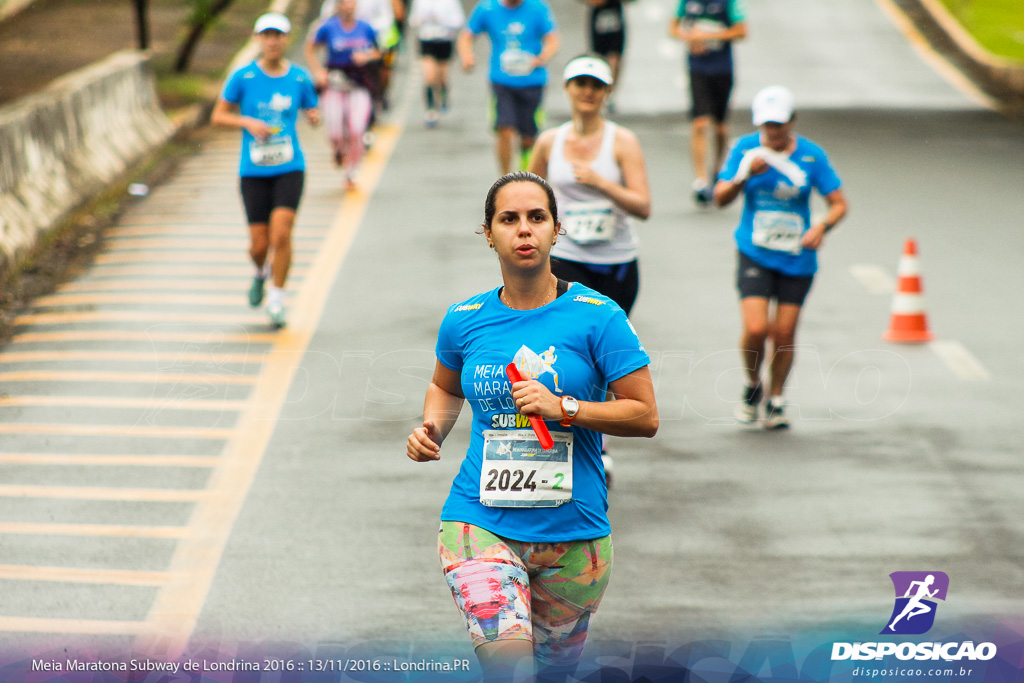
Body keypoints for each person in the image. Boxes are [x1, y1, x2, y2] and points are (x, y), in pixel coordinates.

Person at [406, 172, 658, 681]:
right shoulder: (465, 318)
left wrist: (565, 406)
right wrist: (431, 429)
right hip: (479, 523)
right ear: (489, 233)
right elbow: (446, 386)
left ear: (556, 230)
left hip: (575, 536)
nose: (524, 230)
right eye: (510, 219)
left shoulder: (598, 316)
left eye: (536, 218)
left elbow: (644, 414)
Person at [527, 55, 650, 484]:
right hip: (566, 259)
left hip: (614, 265)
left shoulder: (622, 142)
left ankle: (600, 443)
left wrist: (601, 183)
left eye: (596, 85)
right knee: (565, 354)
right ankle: (563, 439)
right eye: (579, 84)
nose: (587, 92)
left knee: (608, 360)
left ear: (606, 92)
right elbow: (527, 195)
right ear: (567, 89)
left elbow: (643, 205)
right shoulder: (549, 143)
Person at [713, 85, 848, 429]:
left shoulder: (811, 155)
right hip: (755, 252)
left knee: (784, 332)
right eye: (767, 125)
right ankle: (752, 383)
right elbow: (720, 197)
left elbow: (839, 203)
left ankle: (776, 399)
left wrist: (822, 226)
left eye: (779, 124)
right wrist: (745, 175)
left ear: (792, 121)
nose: (772, 132)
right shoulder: (746, 150)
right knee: (757, 328)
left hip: (796, 256)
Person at [211, 13, 319, 329]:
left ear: (287, 40)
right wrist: (247, 122)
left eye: (279, 35)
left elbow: (311, 108)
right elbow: (218, 116)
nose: (273, 41)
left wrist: (314, 116)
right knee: (259, 245)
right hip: (253, 170)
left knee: (281, 233)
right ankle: (260, 272)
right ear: (258, 39)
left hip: (290, 167)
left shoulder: (299, 77)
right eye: (267, 35)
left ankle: (277, 299)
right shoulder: (242, 78)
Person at [457, 0, 560, 174]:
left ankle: (529, 176)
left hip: (532, 81)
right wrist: (467, 57)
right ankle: (505, 179)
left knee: (528, 138)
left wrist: (542, 58)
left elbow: (553, 39)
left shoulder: (538, 8)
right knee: (504, 129)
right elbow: (466, 35)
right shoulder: (487, 8)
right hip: (502, 81)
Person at [669, 0, 746, 205]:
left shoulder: (728, 3)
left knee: (720, 127)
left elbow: (741, 31)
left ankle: (717, 169)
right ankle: (701, 180)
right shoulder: (687, 3)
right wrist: (688, 36)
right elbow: (673, 27)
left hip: (722, 69)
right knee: (700, 122)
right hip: (698, 69)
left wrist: (710, 35)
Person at [306, 0, 381, 189]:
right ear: (338, 6)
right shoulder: (328, 28)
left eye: (351, 2)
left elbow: (378, 52)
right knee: (336, 132)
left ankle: (351, 172)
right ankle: (339, 150)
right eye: (344, 3)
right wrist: (318, 71)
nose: (348, 6)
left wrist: (367, 56)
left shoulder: (366, 28)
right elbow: (310, 48)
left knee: (356, 129)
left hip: (358, 85)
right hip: (335, 85)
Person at [408, 0, 465, 126]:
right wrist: (422, 19)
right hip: (427, 40)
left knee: (442, 77)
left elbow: (459, 20)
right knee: (429, 76)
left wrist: (441, 19)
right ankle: (430, 109)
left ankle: (443, 93)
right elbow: (412, 20)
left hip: (444, 40)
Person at [580, 0, 628, 109]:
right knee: (598, 59)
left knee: (615, 58)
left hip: (615, 16)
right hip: (598, 17)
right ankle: (599, 90)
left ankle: (610, 93)